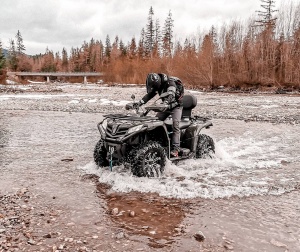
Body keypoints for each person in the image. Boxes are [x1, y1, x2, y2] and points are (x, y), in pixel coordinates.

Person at [137, 73, 184, 157]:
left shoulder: (171, 83)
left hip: (176, 106)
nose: (155, 89)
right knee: (155, 122)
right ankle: (156, 143)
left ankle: (176, 148)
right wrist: (139, 103)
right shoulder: (159, 85)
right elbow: (149, 95)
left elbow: (171, 93)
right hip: (165, 107)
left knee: (175, 125)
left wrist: (166, 101)